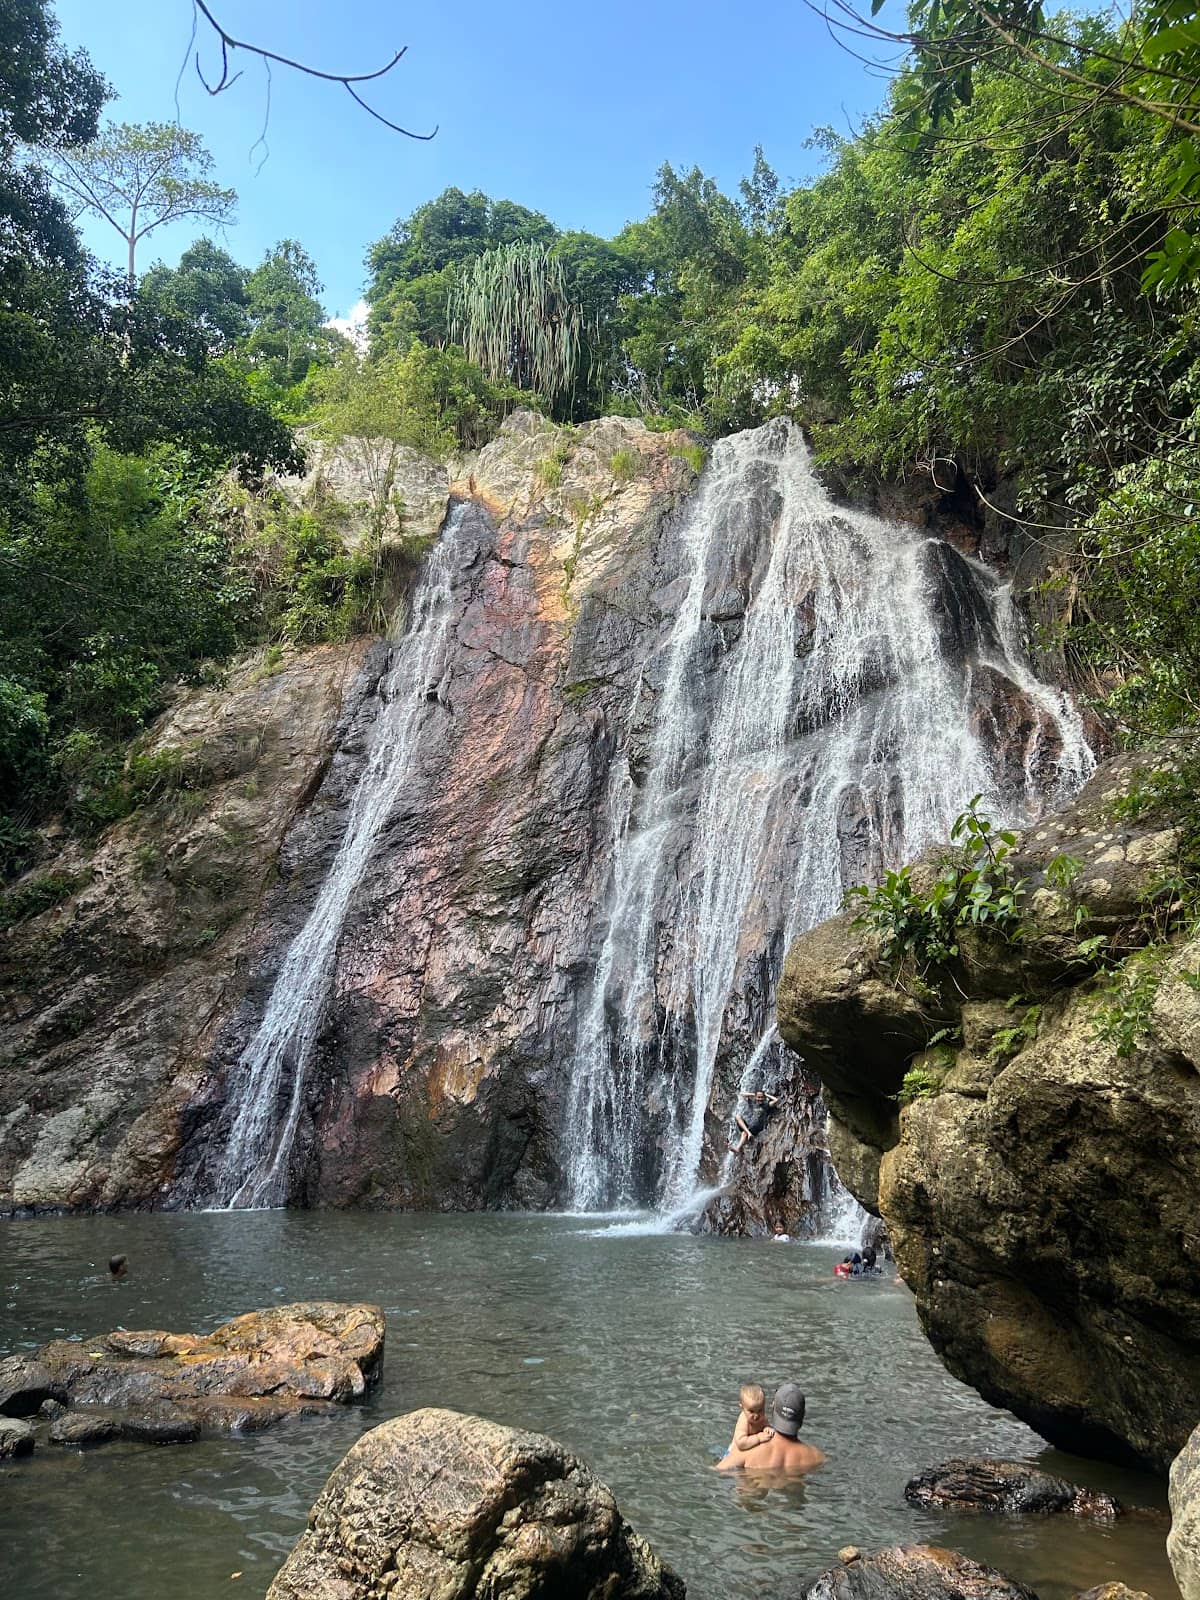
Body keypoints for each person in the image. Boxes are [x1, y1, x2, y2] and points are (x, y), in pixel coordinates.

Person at [716, 1383, 825, 1473]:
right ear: (803, 1414)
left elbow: (716, 1472)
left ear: (772, 1409)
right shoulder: (817, 1457)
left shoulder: (746, 1451)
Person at [726, 1383, 775, 1457]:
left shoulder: (762, 1417)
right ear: (742, 1408)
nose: (756, 1415)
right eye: (751, 1411)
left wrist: (767, 1429)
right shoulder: (744, 1420)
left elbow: (766, 1426)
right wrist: (758, 1438)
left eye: (760, 1410)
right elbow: (741, 1443)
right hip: (732, 1454)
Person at [730, 1088, 781, 1154]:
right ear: (756, 1097)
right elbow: (742, 1094)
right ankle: (748, 1133)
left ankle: (738, 1148)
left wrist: (766, 1095)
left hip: (757, 1128)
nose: (760, 1099)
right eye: (758, 1097)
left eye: (761, 1097)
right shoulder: (752, 1103)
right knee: (737, 1116)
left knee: (744, 1133)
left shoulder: (766, 1105)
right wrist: (754, 1094)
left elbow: (776, 1100)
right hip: (749, 1126)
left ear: (764, 1098)